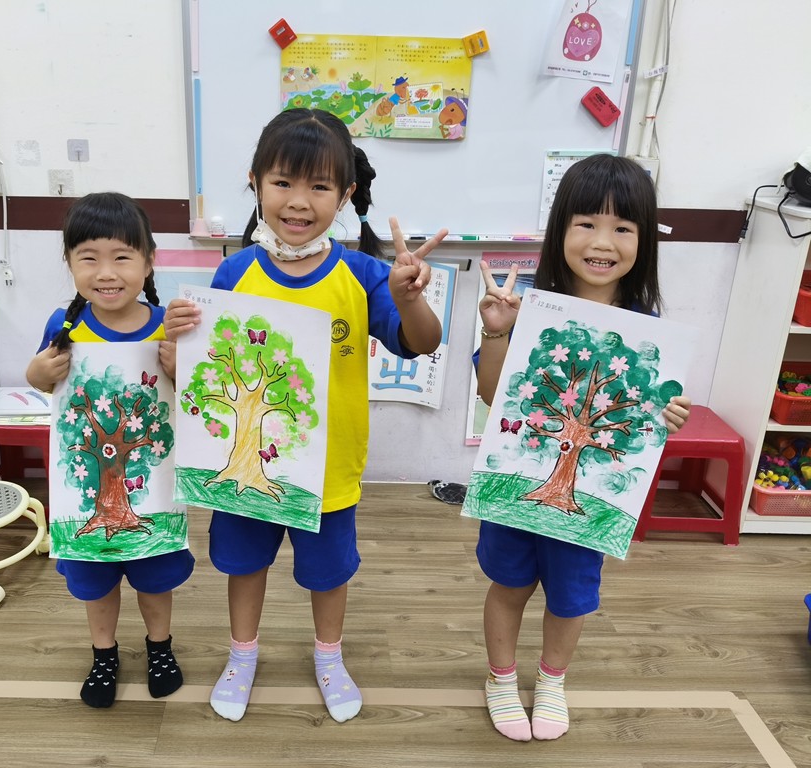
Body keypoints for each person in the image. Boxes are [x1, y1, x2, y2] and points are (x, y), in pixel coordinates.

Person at [165, 108, 447, 723]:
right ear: (256, 182)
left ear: (345, 195)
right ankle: (242, 656)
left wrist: (408, 299)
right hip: (246, 467)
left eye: (319, 186)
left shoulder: (362, 273)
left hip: (330, 471)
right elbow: (199, 374)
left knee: (328, 573)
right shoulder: (234, 273)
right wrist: (173, 343)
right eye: (283, 182)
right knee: (245, 565)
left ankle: (329, 656)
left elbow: (421, 342)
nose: (299, 201)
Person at [473, 153, 692, 741]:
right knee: (509, 584)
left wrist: (669, 413)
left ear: (643, 242)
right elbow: (493, 393)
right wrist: (496, 331)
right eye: (586, 223)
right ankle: (499, 678)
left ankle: (551, 681)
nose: (602, 242)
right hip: (519, 488)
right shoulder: (528, 310)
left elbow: (648, 413)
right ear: (560, 230)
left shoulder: (647, 327)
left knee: (572, 597)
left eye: (622, 227)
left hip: (588, 501)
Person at [26, 191, 194, 708]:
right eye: (89, 258)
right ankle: (104, 654)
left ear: (149, 261)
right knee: (95, 581)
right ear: (69, 262)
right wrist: (38, 372)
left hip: (155, 491)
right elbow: (41, 380)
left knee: (155, 574)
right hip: (84, 494)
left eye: (122, 257)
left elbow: (193, 397)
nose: (106, 272)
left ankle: (160, 647)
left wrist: (178, 369)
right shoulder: (64, 326)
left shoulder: (168, 325)